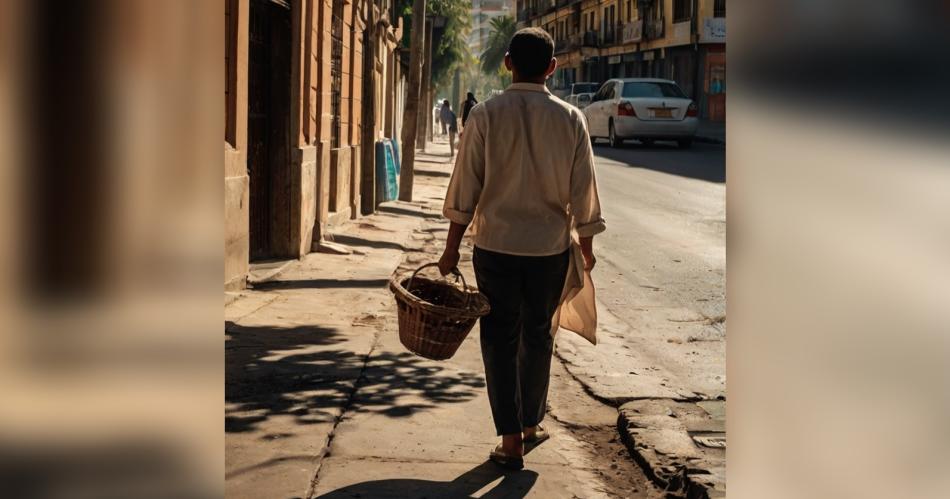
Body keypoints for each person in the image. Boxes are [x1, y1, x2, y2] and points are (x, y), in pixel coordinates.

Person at [438, 28, 605, 470]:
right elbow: (584, 191)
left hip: (495, 247)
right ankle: (530, 425)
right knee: (538, 335)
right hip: (548, 250)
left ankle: (511, 439)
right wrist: (585, 248)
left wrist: (451, 250)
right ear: (553, 67)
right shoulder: (572, 118)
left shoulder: (485, 115)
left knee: (498, 338)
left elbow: (464, 189)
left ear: (507, 62)